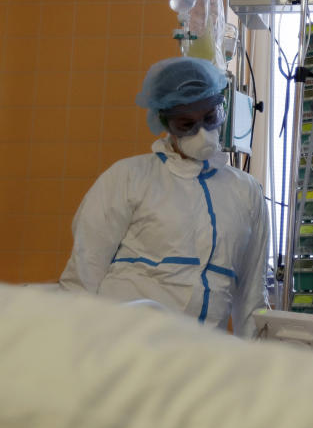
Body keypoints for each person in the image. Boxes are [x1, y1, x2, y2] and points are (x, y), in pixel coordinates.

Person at [60, 56, 269, 338]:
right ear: (165, 123)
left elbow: (252, 298)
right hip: (125, 346)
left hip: (199, 357)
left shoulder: (247, 192)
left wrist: (256, 368)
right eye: (186, 124)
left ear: (223, 108)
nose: (202, 133)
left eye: (210, 118)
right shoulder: (128, 178)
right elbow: (83, 276)